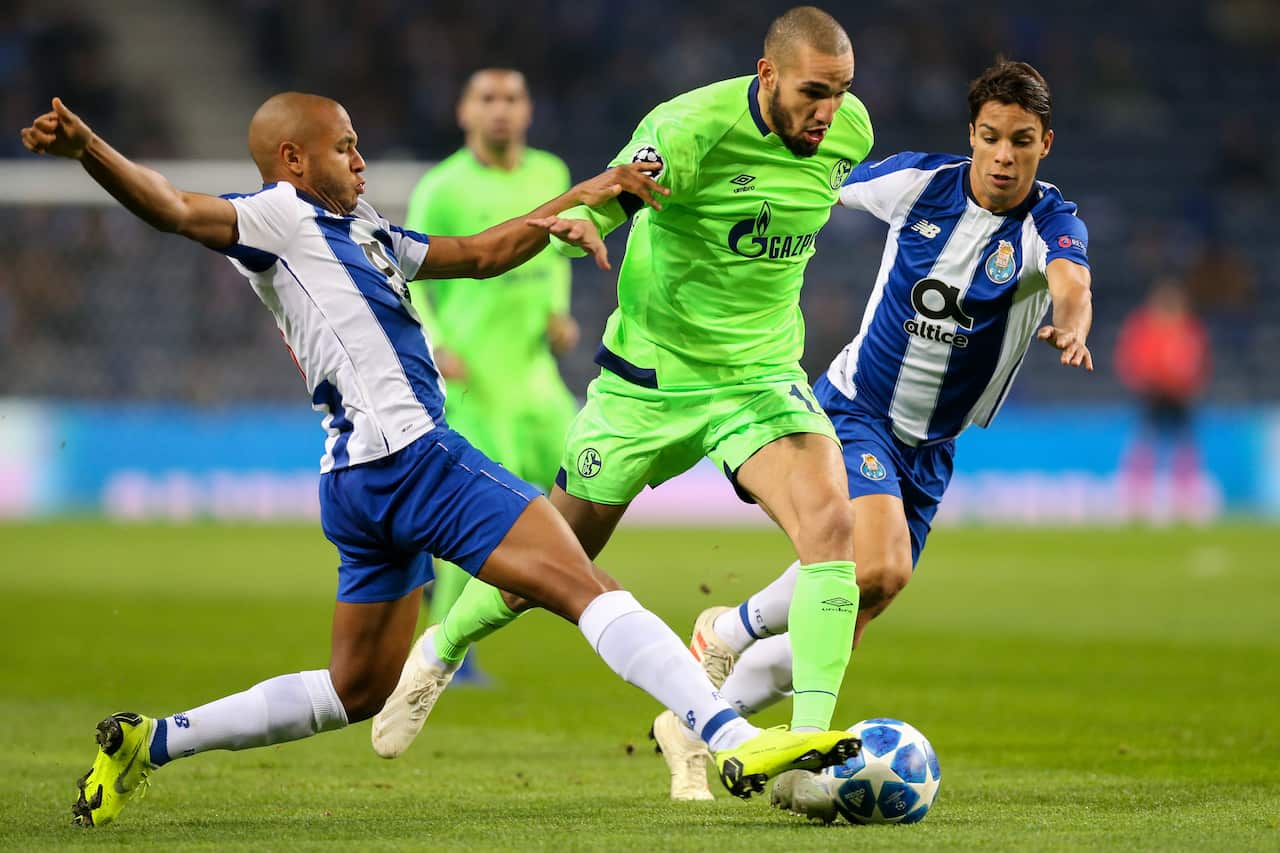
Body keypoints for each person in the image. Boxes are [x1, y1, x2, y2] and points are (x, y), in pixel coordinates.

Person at [20, 92, 860, 826]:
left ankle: (152, 742)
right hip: (413, 459)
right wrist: (89, 148)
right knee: (586, 586)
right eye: (342, 146)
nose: (359, 158)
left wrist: (594, 192)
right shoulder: (275, 219)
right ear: (291, 159)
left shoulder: (368, 231)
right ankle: (737, 739)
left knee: (358, 686)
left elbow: (485, 252)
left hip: (353, 482)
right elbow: (171, 207)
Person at [371, 7, 876, 788]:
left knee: (831, 524)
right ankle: (441, 649)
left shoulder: (850, 133)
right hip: (648, 382)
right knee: (546, 565)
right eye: (814, 92)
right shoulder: (688, 127)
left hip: (759, 377)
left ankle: (804, 754)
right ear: (767, 75)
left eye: (841, 92)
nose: (829, 112)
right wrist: (582, 220)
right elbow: (616, 191)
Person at [650, 58, 1095, 803]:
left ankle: (692, 719)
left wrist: (1071, 324)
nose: (1004, 155)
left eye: (1021, 140)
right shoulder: (919, 183)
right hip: (856, 412)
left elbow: (1072, 281)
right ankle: (737, 651)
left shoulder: (1051, 221)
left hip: (932, 448)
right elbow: (814, 182)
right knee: (877, 568)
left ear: (1044, 143)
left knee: (846, 615)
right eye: (991, 137)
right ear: (972, 136)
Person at [404, 69, 580, 684]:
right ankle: (451, 647)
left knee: (586, 472)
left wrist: (558, 312)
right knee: (484, 513)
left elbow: (557, 255)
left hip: (534, 372)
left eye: (511, 99)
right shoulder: (442, 187)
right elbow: (410, 274)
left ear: (528, 111)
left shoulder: (551, 174)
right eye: (487, 99)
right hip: (475, 376)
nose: (500, 110)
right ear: (464, 112)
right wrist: (438, 345)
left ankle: (442, 581)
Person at [1115, 278, 1211, 522]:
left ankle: (1186, 501)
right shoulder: (1144, 326)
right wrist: (1148, 379)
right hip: (1154, 395)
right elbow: (1132, 360)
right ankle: (1136, 501)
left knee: (1184, 446)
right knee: (1146, 445)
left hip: (1180, 395)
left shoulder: (1187, 328)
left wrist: (1187, 382)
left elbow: (1198, 361)